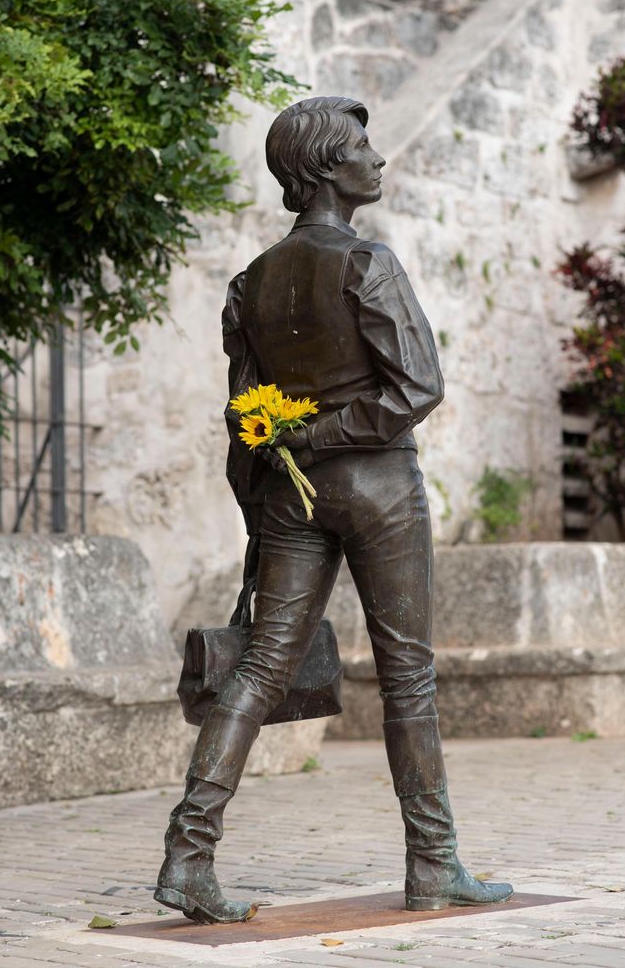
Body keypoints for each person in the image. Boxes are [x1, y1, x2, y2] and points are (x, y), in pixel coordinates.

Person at [154, 96, 513, 924]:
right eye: (359, 145)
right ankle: (434, 862)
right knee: (407, 676)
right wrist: (327, 433)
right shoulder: (367, 262)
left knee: (258, 669)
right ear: (322, 168)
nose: (376, 158)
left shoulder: (250, 283)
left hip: (290, 493)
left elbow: (244, 419)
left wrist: (261, 509)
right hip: (378, 486)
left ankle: (187, 854)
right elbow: (417, 387)